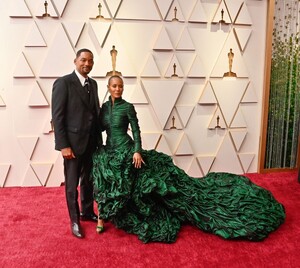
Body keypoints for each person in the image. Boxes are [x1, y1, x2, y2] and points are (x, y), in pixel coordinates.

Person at [92, 75, 285, 243]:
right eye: (114, 86)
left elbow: (135, 130)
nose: (118, 89)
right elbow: (100, 128)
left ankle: (117, 214)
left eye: (120, 86)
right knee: (102, 176)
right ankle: (102, 218)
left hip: (127, 150)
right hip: (110, 151)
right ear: (108, 88)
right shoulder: (105, 108)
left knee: (146, 184)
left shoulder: (127, 107)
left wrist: (137, 151)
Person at [51, 48, 102, 239]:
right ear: (75, 61)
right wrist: (63, 145)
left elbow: (94, 113)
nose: (87, 64)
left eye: (90, 61)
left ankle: (86, 211)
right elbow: (57, 117)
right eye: (83, 60)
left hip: (91, 143)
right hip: (71, 145)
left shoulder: (94, 84)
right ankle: (74, 220)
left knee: (88, 180)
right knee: (72, 185)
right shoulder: (64, 83)